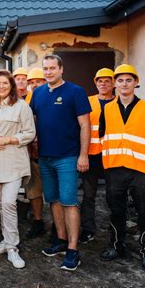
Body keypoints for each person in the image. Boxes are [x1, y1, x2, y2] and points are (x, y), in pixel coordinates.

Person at [99, 64, 145, 272]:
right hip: (115, 168)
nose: (124, 84)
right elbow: (102, 134)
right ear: (115, 84)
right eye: (120, 80)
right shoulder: (107, 109)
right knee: (116, 210)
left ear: (136, 83)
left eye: (128, 80)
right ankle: (117, 247)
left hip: (141, 170)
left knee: (144, 211)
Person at [31, 54, 91, 271]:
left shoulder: (75, 92)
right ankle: (61, 240)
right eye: (45, 68)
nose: (48, 72)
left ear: (61, 69)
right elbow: (34, 121)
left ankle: (73, 250)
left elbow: (85, 125)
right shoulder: (37, 93)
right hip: (45, 157)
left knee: (69, 202)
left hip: (67, 157)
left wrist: (83, 154)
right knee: (53, 200)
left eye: (52, 68)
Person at [0, 70, 35, 269]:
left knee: (9, 202)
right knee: (0, 204)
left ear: (11, 86)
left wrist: (8, 139)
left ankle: (13, 247)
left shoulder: (21, 107)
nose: (1, 86)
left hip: (13, 161)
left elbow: (30, 133)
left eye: (5, 83)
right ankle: (6, 240)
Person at [79, 68, 115, 244]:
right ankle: (87, 229)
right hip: (91, 155)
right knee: (88, 195)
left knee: (114, 195)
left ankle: (115, 229)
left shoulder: (119, 103)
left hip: (113, 157)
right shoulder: (87, 102)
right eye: (100, 81)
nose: (103, 84)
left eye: (107, 81)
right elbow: (80, 128)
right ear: (96, 83)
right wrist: (82, 154)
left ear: (113, 83)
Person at [24, 66, 47, 239]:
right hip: (34, 154)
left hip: (54, 153)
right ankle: (38, 221)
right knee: (34, 191)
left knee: (56, 194)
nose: (34, 85)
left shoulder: (53, 97)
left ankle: (58, 226)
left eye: (38, 81)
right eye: (31, 82)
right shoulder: (31, 101)